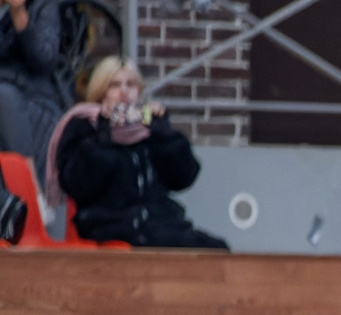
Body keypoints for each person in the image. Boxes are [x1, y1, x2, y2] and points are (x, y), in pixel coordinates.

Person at [52, 57, 226, 249]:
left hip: (162, 224)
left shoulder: (146, 128)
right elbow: (75, 185)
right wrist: (103, 139)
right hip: (108, 227)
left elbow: (183, 178)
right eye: (114, 85)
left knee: (218, 252)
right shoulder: (85, 126)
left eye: (131, 84)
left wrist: (163, 137)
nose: (124, 91)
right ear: (101, 91)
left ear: (139, 90)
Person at [0, 0, 65, 161]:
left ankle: (26, 180)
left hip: (29, 100)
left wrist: (19, 15)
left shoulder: (42, 4)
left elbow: (44, 61)